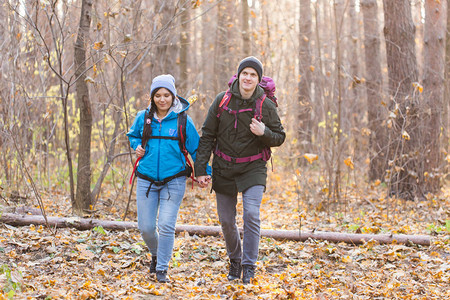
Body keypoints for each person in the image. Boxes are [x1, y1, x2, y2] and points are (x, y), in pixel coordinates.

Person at [195, 56, 285, 284]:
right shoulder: (222, 100)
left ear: (258, 79)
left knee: (252, 214)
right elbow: (207, 135)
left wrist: (264, 132)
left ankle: (249, 265)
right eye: (245, 73)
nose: (248, 77)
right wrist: (200, 169)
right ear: (238, 75)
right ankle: (235, 259)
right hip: (224, 167)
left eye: (253, 74)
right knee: (226, 220)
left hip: (253, 167)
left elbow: (279, 137)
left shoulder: (265, 104)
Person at [127, 74, 200, 283]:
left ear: (173, 96)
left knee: (166, 225)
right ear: (152, 97)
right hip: (146, 179)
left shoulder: (182, 119)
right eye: (157, 95)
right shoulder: (143, 117)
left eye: (166, 95)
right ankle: (157, 253)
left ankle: (162, 269)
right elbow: (133, 135)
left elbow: (197, 148)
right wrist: (136, 146)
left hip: (174, 179)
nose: (162, 99)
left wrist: (205, 172)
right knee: (146, 227)